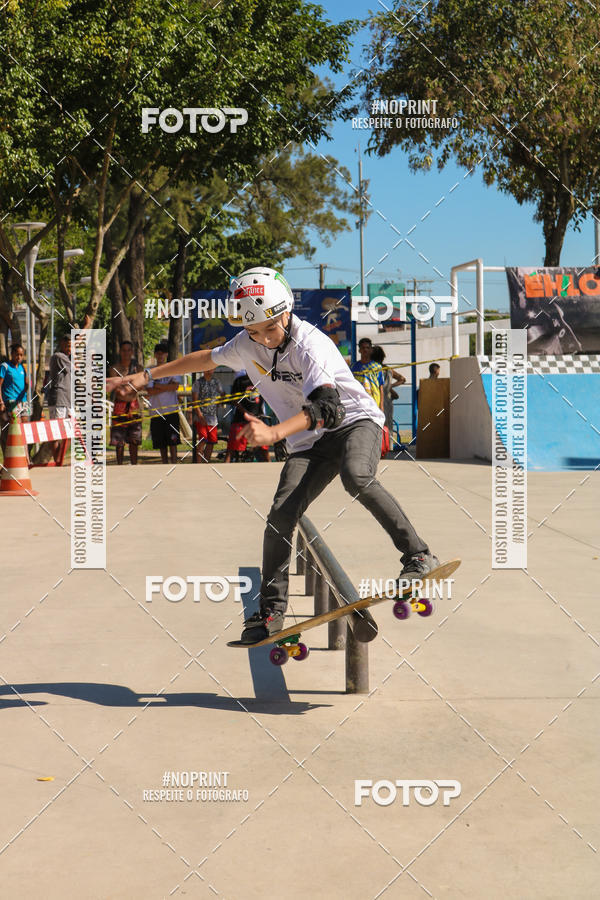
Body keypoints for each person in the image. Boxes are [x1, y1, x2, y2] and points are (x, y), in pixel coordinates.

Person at [106, 267, 439, 643]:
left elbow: (328, 408)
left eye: (269, 329)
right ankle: (271, 610)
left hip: (353, 423)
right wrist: (146, 376)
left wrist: (275, 432)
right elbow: (204, 359)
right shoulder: (248, 342)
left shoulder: (310, 345)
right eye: (253, 332)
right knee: (281, 514)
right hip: (309, 442)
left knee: (355, 476)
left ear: (285, 312)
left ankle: (418, 555)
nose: (263, 339)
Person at [145, 342, 182, 463]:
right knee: (160, 442)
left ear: (166, 354)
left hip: (171, 410)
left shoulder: (172, 368)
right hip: (156, 411)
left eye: (163, 353)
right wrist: (167, 386)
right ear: (155, 355)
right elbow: (149, 390)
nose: (160, 356)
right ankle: (164, 464)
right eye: (158, 353)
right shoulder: (150, 370)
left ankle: (174, 463)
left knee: (173, 440)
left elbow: (175, 386)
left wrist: (158, 385)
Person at [109, 340, 143, 465]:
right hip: (120, 405)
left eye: (129, 350)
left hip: (134, 405)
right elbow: (118, 390)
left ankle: (134, 464)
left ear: (132, 352)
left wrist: (127, 387)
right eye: (124, 350)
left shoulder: (138, 368)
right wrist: (132, 386)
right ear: (120, 352)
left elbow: (141, 385)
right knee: (119, 440)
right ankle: (119, 465)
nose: (126, 353)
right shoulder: (114, 369)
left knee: (134, 439)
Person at [0, 343, 29, 457]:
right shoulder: (5, 366)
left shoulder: (22, 367)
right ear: (12, 354)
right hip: (10, 402)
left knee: (24, 429)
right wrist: (1, 402)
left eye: (21, 355)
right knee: (12, 429)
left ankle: (25, 457)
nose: (19, 357)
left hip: (23, 402)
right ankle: (10, 457)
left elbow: (25, 384)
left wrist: (27, 386)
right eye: (17, 354)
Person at [47, 333, 72, 463]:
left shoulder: (67, 358)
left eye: (71, 347)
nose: (70, 349)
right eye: (68, 346)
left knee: (71, 432)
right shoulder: (59, 357)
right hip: (59, 399)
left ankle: (59, 459)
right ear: (62, 343)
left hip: (68, 400)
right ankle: (58, 460)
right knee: (56, 432)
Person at [371, 345, 406, 438]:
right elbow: (402, 379)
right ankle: (388, 445)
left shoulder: (371, 369)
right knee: (388, 424)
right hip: (387, 400)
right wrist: (389, 387)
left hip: (374, 399)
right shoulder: (388, 369)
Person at [192, 369, 225, 463]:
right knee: (202, 440)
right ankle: (198, 462)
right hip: (201, 416)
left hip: (213, 417)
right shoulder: (198, 383)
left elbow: (223, 393)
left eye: (211, 368)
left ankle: (206, 462)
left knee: (211, 441)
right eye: (206, 368)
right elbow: (195, 400)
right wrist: (199, 415)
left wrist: (220, 402)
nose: (209, 371)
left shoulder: (216, 382)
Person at [351, 337, 385, 412]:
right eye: (363, 348)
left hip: (374, 403)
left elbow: (381, 387)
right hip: (359, 403)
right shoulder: (353, 367)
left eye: (367, 348)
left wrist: (381, 406)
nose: (365, 350)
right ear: (359, 350)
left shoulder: (377, 367)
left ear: (371, 350)